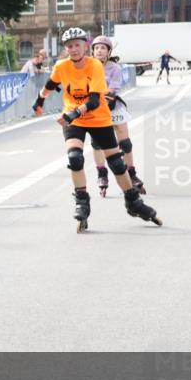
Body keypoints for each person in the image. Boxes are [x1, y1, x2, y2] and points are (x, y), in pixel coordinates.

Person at [32, 27, 161, 232]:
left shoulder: (94, 66)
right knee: (74, 158)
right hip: (75, 121)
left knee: (117, 164)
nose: (73, 49)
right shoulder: (61, 66)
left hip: (98, 118)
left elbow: (93, 101)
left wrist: (71, 115)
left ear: (85, 46)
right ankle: (82, 201)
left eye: (77, 45)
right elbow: (50, 84)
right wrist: (38, 101)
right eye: (69, 46)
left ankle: (133, 202)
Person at [89, 36, 146, 196]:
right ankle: (102, 175)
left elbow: (113, 89)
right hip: (95, 109)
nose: (99, 50)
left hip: (113, 106)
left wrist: (101, 98)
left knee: (125, 144)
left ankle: (132, 175)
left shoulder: (114, 67)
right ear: (92, 51)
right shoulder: (88, 66)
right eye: (96, 48)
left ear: (108, 52)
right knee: (97, 144)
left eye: (103, 48)